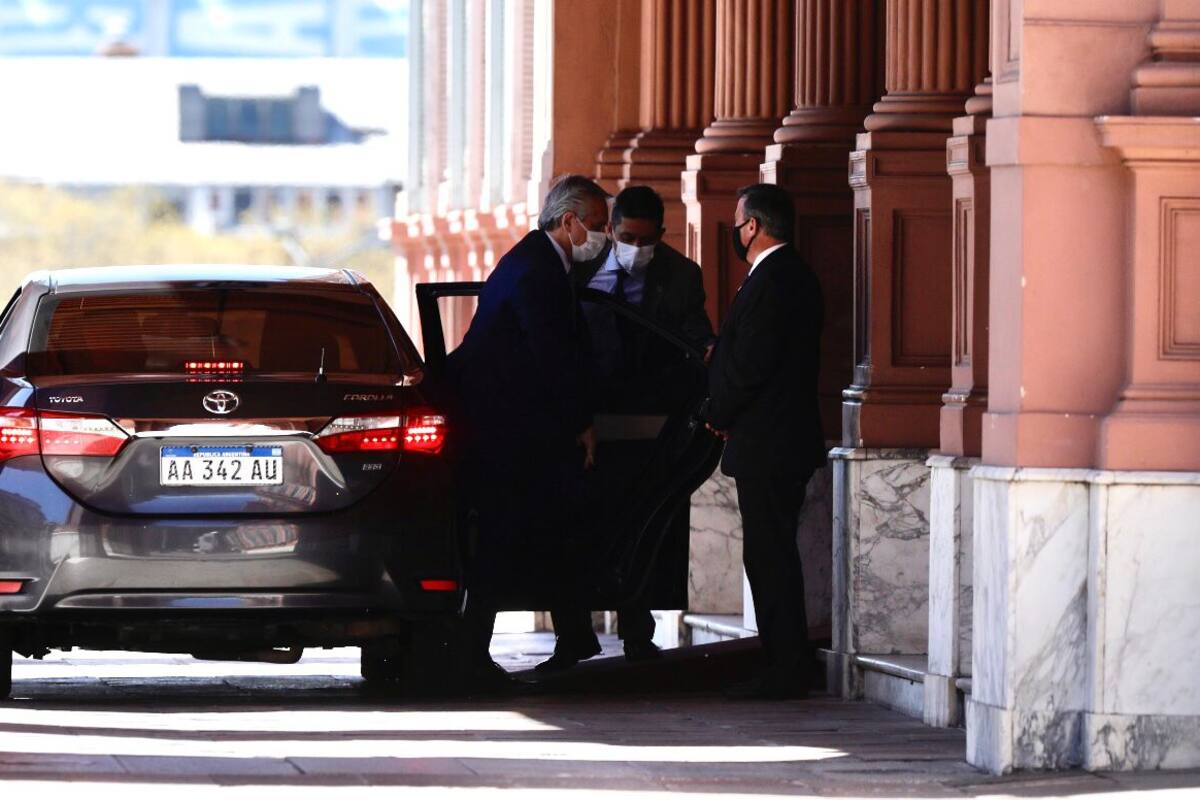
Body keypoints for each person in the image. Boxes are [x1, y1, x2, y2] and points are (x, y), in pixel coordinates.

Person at [535, 185, 715, 673]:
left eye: (647, 238)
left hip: (646, 422)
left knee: (635, 523)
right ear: (611, 230)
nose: (637, 247)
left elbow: (693, 336)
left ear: (661, 234)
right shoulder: (578, 265)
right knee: (573, 527)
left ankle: (638, 634)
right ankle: (572, 636)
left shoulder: (680, 275)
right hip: (583, 420)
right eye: (627, 236)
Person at [448, 174, 610, 690]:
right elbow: (552, 358)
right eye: (598, 226)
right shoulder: (538, 271)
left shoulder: (542, 262)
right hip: (508, 434)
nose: (602, 238)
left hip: (520, 429)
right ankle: (473, 653)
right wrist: (580, 422)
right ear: (569, 221)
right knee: (503, 539)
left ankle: (573, 633)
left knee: (554, 529)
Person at [704, 183, 826, 700]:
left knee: (771, 556)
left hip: (772, 444)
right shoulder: (782, 275)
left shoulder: (777, 279)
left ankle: (787, 666)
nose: (736, 230)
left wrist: (718, 410)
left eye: (738, 221)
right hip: (775, 441)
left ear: (753, 225)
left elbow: (753, 364)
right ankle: (783, 662)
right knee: (769, 554)